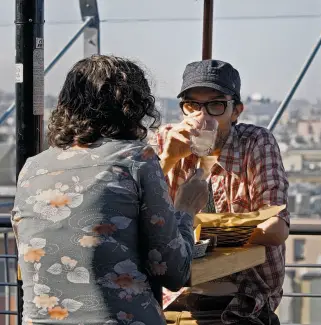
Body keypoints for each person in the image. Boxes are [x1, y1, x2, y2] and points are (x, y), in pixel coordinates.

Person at [11, 55, 208, 325]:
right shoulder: (136, 158)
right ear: (134, 108)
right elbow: (174, 272)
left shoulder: (32, 168)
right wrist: (186, 209)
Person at [152, 59, 290, 324]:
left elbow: (277, 228)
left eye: (215, 105)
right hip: (171, 297)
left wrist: (203, 233)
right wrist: (168, 159)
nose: (201, 117)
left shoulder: (254, 143)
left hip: (241, 298)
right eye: (192, 105)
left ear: (236, 111)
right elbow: (140, 216)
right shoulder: (167, 138)